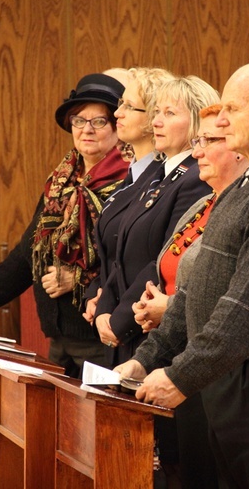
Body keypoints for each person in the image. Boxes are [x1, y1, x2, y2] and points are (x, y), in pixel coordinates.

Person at [115, 61, 249, 489]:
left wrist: (180, 376)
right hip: (234, 379)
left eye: (233, 107)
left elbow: (248, 306)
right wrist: (146, 360)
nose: (222, 117)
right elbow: (201, 292)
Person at [86, 75, 220, 486]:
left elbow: (159, 261)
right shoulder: (157, 176)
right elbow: (120, 251)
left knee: (171, 462)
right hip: (137, 325)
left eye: (169, 113)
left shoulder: (196, 177)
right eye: (156, 112)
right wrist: (104, 303)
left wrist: (119, 316)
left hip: (160, 329)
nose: (158, 121)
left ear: (198, 122)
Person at [132, 103, 249, 489]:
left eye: (208, 140)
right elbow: (176, 273)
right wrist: (144, 356)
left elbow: (242, 302)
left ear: (240, 149)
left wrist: (169, 307)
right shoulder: (205, 203)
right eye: (197, 141)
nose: (196, 151)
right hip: (181, 352)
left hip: (217, 371)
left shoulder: (247, 207)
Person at [0, 73, 129, 377]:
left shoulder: (131, 183)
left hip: (104, 341)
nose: (87, 130)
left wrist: (78, 279)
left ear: (120, 127)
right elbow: (27, 256)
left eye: (99, 121)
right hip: (60, 340)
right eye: (79, 120)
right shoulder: (62, 183)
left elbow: (130, 263)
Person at [83, 66, 174, 319]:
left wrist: (115, 316)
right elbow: (112, 256)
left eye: (128, 106)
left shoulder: (165, 177)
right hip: (112, 313)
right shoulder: (133, 174)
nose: (117, 113)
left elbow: (153, 260)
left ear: (153, 117)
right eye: (120, 103)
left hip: (138, 320)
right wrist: (97, 294)